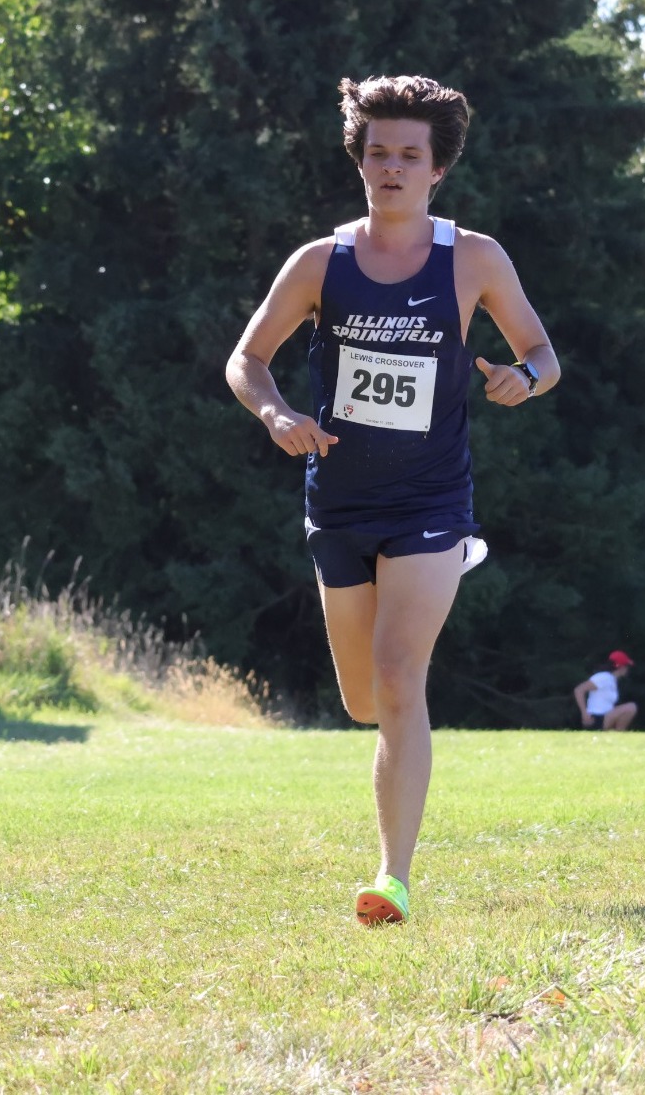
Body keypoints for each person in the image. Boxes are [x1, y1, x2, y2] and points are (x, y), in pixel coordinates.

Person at [225, 75, 559, 926]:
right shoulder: (319, 263)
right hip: (338, 501)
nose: (391, 167)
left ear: (437, 168)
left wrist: (519, 380)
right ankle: (390, 751)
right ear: (359, 159)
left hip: (431, 499)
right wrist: (275, 412)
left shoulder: (473, 258)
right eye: (377, 152)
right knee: (363, 699)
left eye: (410, 154)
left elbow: (542, 354)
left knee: (398, 675)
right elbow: (246, 359)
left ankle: (392, 876)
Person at [574, 651, 638, 731]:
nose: (627, 669)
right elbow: (579, 690)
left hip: (604, 717)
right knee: (631, 707)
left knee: (628, 708)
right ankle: (620, 734)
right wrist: (584, 713)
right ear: (620, 666)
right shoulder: (604, 677)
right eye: (626, 666)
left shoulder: (612, 680)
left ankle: (617, 735)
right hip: (596, 718)